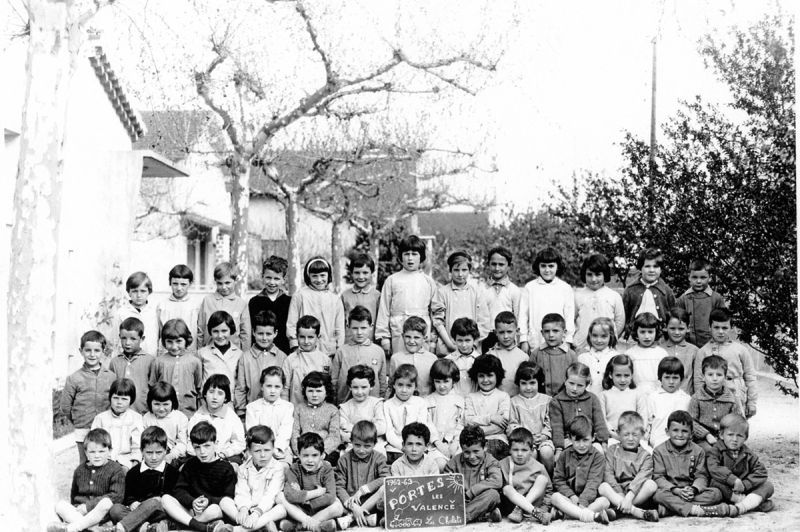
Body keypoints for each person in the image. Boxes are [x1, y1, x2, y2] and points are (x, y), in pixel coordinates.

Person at [160, 421, 238, 531]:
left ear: (216, 443)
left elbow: (229, 498)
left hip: (211, 510)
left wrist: (209, 501)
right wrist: (192, 501)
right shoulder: (190, 465)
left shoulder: (226, 468)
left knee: (215, 509)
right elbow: (179, 490)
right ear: (192, 446)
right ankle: (201, 526)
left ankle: (183, 524)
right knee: (165, 499)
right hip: (192, 509)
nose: (202, 452)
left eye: (207, 446)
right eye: (197, 447)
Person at [47, 429, 125, 532]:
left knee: (106, 502)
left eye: (101, 451)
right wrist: (78, 508)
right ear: (86, 452)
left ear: (110, 451)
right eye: (92, 452)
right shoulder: (79, 470)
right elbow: (74, 495)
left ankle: (73, 528)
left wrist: (88, 507)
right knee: (60, 505)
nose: (97, 456)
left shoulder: (115, 469)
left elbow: (117, 496)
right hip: (80, 514)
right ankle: (94, 530)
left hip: (101, 515)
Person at [651, 410, 727, 517]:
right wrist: (676, 490)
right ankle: (696, 510)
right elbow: (658, 477)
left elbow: (702, 476)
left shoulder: (698, 451)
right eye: (675, 430)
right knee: (658, 495)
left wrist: (694, 489)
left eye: (684, 431)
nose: (680, 435)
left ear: (691, 434)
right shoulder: (659, 451)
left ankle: (671, 509)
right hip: (671, 491)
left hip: (691, 492)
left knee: (716, 494)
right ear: (667, 431)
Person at [107, 426, 180, 532]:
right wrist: (132, 503)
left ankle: (121, 527)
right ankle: (147, 528)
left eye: (159, 452)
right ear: (142, 451)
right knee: (115, 509)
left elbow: (174, 497)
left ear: (165, 451)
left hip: (159, 511)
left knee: (154, 502)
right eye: (149, 453)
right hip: (137, 512)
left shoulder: (172, 472)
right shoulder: (134, 472)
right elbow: (128, 494)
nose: (154, 457)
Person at [375, 235, 438, 356]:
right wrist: (384, 338)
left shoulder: (428, 282)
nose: (410, 258)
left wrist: (433, 340)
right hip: (399, 330)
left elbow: (434, 313)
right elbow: (384, 310)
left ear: (421, 257)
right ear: (401, 256)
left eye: (414, 254)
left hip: (422, 332)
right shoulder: (392, 280)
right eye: (406, 254)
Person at [61, 330, 117, 465]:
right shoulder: (74, 378)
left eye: (97, 350)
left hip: (105, 426)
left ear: (103, 351)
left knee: (105, 460)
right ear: (81, 351)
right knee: (85, 461)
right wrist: (78, 421)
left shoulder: (111, 376)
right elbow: (66, 406)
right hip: (83, 426)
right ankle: (82, 486)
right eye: (88, 350)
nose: (92, 354)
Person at [218, 425, 287, 532]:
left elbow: (271, 496)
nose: (263, 455)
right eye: (257, 451)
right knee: (225, 502)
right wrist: (243, 509)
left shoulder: (278, 468)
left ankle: (239, 530)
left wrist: (256, 514)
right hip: (248, 511)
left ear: (273, 448)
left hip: (266, 511)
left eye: (267, 450)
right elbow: (241, 492)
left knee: (281, 509)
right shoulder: (243, 469)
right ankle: (260, 527)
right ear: (249, 451)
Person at [693, 308, 757, 418]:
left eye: (725, 327)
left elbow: (750, 376)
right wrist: (701, 401)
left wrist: (751, 403)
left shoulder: (740, 350)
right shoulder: (703, 352)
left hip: (735, 393)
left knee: (735, 427)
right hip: (710, 396)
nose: (721, 331)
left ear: (731, 328)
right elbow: (698, 380)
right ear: (710, 328)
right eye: (716, 327)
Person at [707, 413, 774, 516]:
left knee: (768, 486)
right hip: (727, 491)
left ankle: (740, 507)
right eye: (730, 434)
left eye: (739, 435)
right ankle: (749, 503)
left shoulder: (748, 454)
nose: (734, 439)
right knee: (714, 482)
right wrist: (733, 480)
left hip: (744, 489)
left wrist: (745, 484)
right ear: (721, 435)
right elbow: (713, 468)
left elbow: (761, 472)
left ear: (745, 438)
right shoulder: (715, 451)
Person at [277, 432, 345, 532]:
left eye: (314, 455)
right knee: (280, 496)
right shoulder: (294, 469)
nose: (310, 460)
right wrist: (317, 493)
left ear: (322, 455)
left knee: (338, 507)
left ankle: (299, 526)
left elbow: (330, 496)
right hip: (299, 510)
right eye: (305, 455)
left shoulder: (327, 469)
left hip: (320, 509)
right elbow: (290, 495)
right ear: (298, 454)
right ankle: (315, 524)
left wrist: (306, 500)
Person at [597, 412, 659, 521]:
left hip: (635, 495)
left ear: (642, 434)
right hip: (617, 493)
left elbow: (641, 478)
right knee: (603, 487)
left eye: (635, 434)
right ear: (618, 433)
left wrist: (629, 497)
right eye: (626, 434)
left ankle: (619, 510)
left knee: (651, 485)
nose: (630, 438)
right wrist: (620, 494)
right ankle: (636, 511)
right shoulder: (612, 450)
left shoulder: (646, 456)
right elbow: (608, 474)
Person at [550, 416, 612, 524]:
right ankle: (593, 516)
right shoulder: (564, 455)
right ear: (569, 438)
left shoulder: (598, 457)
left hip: (590, 500)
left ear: (593, 437)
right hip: (570, 499)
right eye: (577, 441)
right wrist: (572, 496)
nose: (581, 445)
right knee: (555, 497)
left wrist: (582, 502)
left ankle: (568, 514)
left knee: (604, 501)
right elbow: (558, 480)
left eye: (585, 440)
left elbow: (593, 482)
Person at [431, 250, 492, 355]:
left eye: (464, 270)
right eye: (456, 270)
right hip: (447, 349)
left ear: (469, 270)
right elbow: (438, 322)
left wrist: (472, 344)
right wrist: (450, 344)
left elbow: (484, 322)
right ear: (450, 270)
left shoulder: (477, 293)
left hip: (472, 350)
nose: (460, 274)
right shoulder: (442, 293)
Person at [383, 364, 443, 467]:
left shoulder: (420, 403)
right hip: (395, 448)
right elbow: (389, 432)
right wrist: (403, 447)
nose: (404, 390)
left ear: (415, 386)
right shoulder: (387, 405)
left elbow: (421, 428)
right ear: (394, 385)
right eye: (400, 385)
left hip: (416, 445)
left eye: (409, 386)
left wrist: (412, 446)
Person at [444, 424, 503, 523]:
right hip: (460, 501)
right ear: (462, 449)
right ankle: (483, 516)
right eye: (466, 452)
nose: (472, 456)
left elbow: (497, 481)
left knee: (493, 495)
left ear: (485, 447)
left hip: (482, 501)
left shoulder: (491, 461)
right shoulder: (453, 463)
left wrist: (472, 492)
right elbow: (444, 486)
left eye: (476, 451)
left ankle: (461, 517)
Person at [520, 248, 575, 354]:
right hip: (535, 340)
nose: (547, 270)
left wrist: (568, 340)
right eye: (543, 266)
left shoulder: (565, 288)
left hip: (559, 342)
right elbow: (523, 315)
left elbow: (569, 316)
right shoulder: (530, 287)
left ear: (557, 266)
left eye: (551, 266)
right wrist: (523, 340)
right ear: (538, 266)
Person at [287, 257, 345, 356]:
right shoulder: (299, 296)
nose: (319, 280)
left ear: (328, 275)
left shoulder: (335, 300)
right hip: (303, 351)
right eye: (314, 276)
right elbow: (291, 324)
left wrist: (338, 347)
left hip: (328, 351)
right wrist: (295, 345)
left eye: (322, 275)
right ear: (308, 276)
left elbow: (339, 328)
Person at [335, 420, 389, 527]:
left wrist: (363, 490)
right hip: (350, 504)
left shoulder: (379, 458)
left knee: (384, 489)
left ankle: (351, 518)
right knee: (334, 501)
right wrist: (352, 506)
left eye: (367, 446)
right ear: (351, 442)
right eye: (357, 445)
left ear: (374, 444)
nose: (361, 450)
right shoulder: (343, 460)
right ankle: (364, 517)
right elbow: (339, 486)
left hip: (372, 503)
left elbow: (385, 478)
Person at [234, 310, 287, 418]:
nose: (264, 338)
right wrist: (241, 412)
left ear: (275, 333)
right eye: (260, 333)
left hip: (276, 413)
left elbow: (285, 388)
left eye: (268, 334)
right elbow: (241, 387)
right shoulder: (245, 357)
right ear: (253, 332)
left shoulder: (282, 357)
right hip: (252, 413)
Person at [549, 363, 609, 458]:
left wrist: (604, 442)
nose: (575, 388)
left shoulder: (592, 399)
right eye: (571, 383)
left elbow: (599, 422)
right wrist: (559, 448)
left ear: (586, 385)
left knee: (599, 452)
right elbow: (557, 427)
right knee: (570, 455)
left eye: (580, 385)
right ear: (565, 381)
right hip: (569, 439)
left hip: (589, 439)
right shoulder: (557, 401)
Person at [331, 306, 387, 404]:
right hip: (345, 403)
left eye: (363, 328)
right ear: (348, 327)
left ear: (371, 326)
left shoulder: (378, 351)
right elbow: (334, 380)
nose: (359, 332)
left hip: (372, 405)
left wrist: (380, 400)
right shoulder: (341, 351)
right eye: (355, 328)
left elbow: (382, 382)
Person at [507, 361, 554, 476]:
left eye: (532, 383)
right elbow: (512, 424)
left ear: (539, 382)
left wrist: (544, 435)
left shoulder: (547, 400)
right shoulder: (513, 402)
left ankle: (549, 479)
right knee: (529, 453)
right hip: (523, 441)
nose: (528, 388)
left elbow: (551, 421)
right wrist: (525, 437)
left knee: (546, 452)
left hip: (543, 439)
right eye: (524, 383)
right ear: (518, 383)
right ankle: (529, 480)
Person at [498, 427, 553, 525]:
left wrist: (544, 508)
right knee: (506, 488)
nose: (519, 454)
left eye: (524, 450)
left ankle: (524, 509)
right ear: (509, 450)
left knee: (542, 479)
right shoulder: (503, 464)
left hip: (533, 505)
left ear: (531, 451)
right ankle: (524, 509)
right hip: (511, 506)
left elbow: (549, 490)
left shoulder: (538, 467)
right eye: (515, 450)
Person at [188, 374, 246, 464]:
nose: (215, 397)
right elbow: (190, 443)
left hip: (224, 457)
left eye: (220, 393)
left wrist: (225, 453)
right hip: (201, 457)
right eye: (211, 392)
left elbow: (239, 443)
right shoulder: (198, 416)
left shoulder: (231, 417)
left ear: (226, 397)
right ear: (205, 394)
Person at [150, 319, 202, 417]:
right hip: (164, 414)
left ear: (187, 340)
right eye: (169, 342)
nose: (174, 347)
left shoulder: (195, 362)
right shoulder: (158, 362)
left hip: (189, 413)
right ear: (164, 341)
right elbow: (153, 388)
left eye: (178, 341)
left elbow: (199, 388)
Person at [574, 254, 625, 354]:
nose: (593, 279)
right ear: (584, 274)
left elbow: (619, 323)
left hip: (607, 349)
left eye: (598, 275)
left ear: (605, 275)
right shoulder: (577, 296)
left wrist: (607, 338)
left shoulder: (614, 296)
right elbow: (571, 320)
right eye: (589, 274)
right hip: (582, 348)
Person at [689, 355, 742, 452]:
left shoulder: (732, 399)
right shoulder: (697, 398)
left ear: (725, 377)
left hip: (726, 438)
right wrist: (706, 435)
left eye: (719, 375)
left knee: (739, 453)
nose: (714, 378)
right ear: (703, 377)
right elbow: (692, 422)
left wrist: (726, 436)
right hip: (703, 439)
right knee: (710, 451)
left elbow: (737, 421)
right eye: (710, 374)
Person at [622, 248, 676, 340]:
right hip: (635, 338)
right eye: (647, 266)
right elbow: (624, 316)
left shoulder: (666, 291)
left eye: (655, 266)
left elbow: (672, 315)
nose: (651, 270)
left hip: (660, 338)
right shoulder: (630, 290)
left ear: (661, 269)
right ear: (640, 268)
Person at [465, 354, 511, 461]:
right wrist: (491, 418)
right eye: (481, 376)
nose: (485, 380)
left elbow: (501, 426)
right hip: (474, 442)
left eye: (490, 375)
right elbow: (468, 421)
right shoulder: (470, 397)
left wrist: (475, 431)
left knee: (487, 452)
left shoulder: (503, 396)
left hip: (497, 440)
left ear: (497, 376)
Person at [91, 378, 144, 469]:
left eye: (124, 399)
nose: (119, 402)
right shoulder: (100, 419)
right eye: (115, 398)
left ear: (131, 400)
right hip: (105, 461)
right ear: (110, 398)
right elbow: (93, 443)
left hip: (127, 461)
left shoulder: (136, 418)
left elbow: (137, 446)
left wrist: (134, 464)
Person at [245, 367, 294, 464]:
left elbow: (285, 432)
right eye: (269, 386)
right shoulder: (252, 407)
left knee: (283, 468)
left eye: (277, 387)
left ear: (282, 388)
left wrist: (276, 449)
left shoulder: (288, 407)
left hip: (280, 451)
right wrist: (265, 450)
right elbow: (253, 433)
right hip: (257, 450)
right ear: (262, 386)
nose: (272, 391)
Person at [197, 262, 251, 351]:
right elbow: (200, 330)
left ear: (236, 280)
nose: (223, 287)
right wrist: (200, 351)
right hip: (210, 352)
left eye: (227, 283)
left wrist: (244, 355)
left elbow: (245, 334)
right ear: (215, 281)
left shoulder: (241, 304)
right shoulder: (207, 301)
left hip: (233, 353)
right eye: (219, 283)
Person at [291, 372, 341, 466]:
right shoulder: (299, 409)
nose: (314, 395)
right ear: (304, 392)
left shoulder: (332, 410)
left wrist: (322, 452)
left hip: (325, 452)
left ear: (326, 392)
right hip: (303, 450)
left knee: (326, 464)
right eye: (310, 391)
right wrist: (299, 451)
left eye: (319, 391)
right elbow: (295, 432)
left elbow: (334, 436)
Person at [480, 246, 522, 354]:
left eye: (501, 264)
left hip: (507, 336)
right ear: (488, 264)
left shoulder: (514, 290)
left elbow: (518, 317)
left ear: (509, 266)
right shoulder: (480, 290)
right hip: (485, 337)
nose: (497, 268)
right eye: (493, 264)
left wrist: (518, 340)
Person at [281, 315, 332, 405]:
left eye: (310, 337)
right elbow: (285, 390)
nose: (306, 341)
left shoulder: (325, 360)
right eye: (302, 337)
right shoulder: (290, 360)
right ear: (296, 336)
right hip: (296, 409)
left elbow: (328, 389)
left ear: (318, 337)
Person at [676, 258, 726, 348]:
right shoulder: (683, 299)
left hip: (712, 345)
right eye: (694, 277)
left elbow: (723, 323)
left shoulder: (716, 298)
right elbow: (678, 323)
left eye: (703, 277)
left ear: (709, 278)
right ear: (689, 277)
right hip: (688, 345)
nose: (698, 281)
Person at [109, 317, 155, 414]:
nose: (127, 343)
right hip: (120, 413)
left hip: (143, 412)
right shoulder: (115, 362)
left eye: (133, 339)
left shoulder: (150, 360)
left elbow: (154, 388)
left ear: (142, 339)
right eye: (124, 338)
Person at [248, 256, 292, 355]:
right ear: (262, 276)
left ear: (283, 279)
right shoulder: (254, 302)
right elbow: (251, 329)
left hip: (283, 352)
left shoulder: (290, 302)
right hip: (259, 353)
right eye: (268, 277)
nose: (272, 282)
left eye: (276, 279)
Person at [598, 355, 647, 443]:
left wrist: (635, 434)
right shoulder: (604, 395)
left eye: (626, 375)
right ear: (610, 375)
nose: (623, 380)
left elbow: (643, 417)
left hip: (634, 438)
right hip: (613, 438)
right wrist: (613, 434)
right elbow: (602, 419)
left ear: (632, 375)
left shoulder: (637, 394)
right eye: (618, 375)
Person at [426, 359, 466, 465]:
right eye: (437, 382)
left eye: (446, 381)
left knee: (461, 464)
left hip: (456, 444)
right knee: (440, 465)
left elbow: (461, 424)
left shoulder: (460, 400)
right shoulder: (427, 401)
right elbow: (427, 423)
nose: (442, 386)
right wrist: (437, 442)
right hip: (434, 445)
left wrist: (456, 442)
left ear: (453, 380)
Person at [339, 365, 387, 455]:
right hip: (353, 446)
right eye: (355, 387)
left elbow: (381, 428)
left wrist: (353, 428)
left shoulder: (376, 404)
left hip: (374, 445)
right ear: (350, 387)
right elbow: (343, 435)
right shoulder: (344, 408)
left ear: (371, 386)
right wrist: (371, 426)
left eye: (364, 387)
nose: (359, 392)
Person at [387, 316, 438, 398]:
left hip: (426, 404)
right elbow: (391, 386)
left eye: (416, 337)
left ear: (425, 338)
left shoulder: (432, 359)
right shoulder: (396, 358)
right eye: (408, 337)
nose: (411, 341)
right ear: (403, 336)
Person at [646, 357, 692, 449]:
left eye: (675, 378)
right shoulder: (653, 398)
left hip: (681, 441)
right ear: (660, 378)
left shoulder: (686, 399)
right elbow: (648, 424)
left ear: (681, 379)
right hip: (658, 442)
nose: (671, 382)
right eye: (667, 377)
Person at [529, 313, 578, 397]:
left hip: (565, 399)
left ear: (564, 332)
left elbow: (575, 380)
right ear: (542, 333)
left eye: (555, 331)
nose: (551, 335)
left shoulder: (571, 355)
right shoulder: (536, 354)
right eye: (547, 331)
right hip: (541, 399)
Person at [143, 382, 189, 465]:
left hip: (174, 456)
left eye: (165, 404)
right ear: (150, 403)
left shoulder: (181, 418)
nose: (161, 408)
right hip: (152, 454)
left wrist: (171, 456)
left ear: (172, 402)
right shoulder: (146, 418)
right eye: (157, 404)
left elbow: (182, 443)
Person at [157, 264, 199, 355]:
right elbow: (159, 333)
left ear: (190, 284)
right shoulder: (162, 306)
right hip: (166, 353)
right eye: (175, 284)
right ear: (170, 283)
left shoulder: (196, 306)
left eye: (183, 284)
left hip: (189, 353)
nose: (179, 288)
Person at [115, 271, 160, 356]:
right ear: (129, 292)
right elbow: (116, 341)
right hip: (129, 359)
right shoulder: (122, 313)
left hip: (151, 356)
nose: (139, 295)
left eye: (143, 291)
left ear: (149, 291)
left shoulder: (155, 311)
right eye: (135, 291)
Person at [486, 311, 529, 397]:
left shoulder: (523, 357)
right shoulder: (489, 355)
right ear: (495, 332)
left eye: (509, 332)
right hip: (495, 402)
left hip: (516, 402)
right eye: (501, 332)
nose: (506, 336)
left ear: (517, 331)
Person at [341, 254, 381, 344]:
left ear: (372, 273)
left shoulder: (377, 296)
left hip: (371, 344)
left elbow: (381, 321)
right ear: (351, 273)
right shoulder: (345, 296)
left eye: (365, 273)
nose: (361, 277)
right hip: (349, 343)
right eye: (357, 273)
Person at [626, 312, 669, 395]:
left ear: (656, 332)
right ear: (636, 332)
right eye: (642, 332)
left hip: (657, 393)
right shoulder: (630, 354)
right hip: (635, 393)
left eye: (650, 332)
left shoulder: (661, 354)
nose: (646, 336)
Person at [198, 311, 243, 387]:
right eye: (215, 331)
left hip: (230, 398)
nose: (220, 335)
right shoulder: (202, 353)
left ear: (231, 330)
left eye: (224, 331)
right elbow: (198, 381)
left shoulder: (239, 354)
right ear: (210, 331)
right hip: (207, 398)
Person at [577, 317, 619, 396]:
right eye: (595, 336)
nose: (599, 340)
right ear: (590, 335)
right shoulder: (582, 357)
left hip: (609, 399)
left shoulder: (616, 357)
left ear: (611, 336)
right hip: (587, 399)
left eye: (603, 336)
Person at [661, 307, 697, 394]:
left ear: (688, 328)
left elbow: (697, 379)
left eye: (681, 329)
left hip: (686, 398)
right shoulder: (660, 350)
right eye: (673, 328)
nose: (677, 332)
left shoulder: (694, 351)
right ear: (665, 328)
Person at [445, 317, 479, 397]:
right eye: (460, 340)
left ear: (474, 339)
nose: (464, 345)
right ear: (454, 339)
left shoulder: (480, 359)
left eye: (467, 340)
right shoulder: (448, 360)